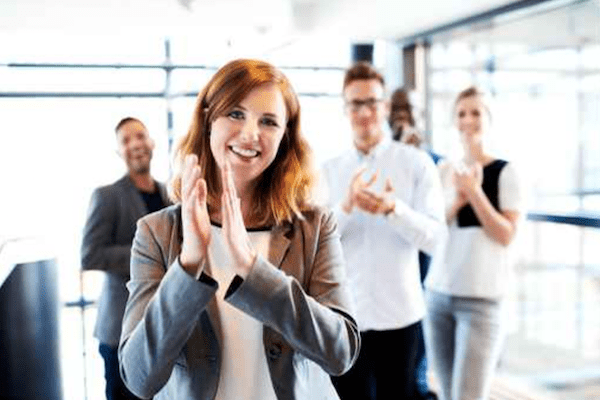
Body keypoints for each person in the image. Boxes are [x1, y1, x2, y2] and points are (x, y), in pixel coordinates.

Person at [118, 59, 360, 400]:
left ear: (284, 137)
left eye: (269, 121)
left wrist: (252, 268)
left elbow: (341, 352)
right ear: (208, 121)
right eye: (235, 113)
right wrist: (189, 263)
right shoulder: (157, 232)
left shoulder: (314, 226)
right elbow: (139, 376)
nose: (250, 134)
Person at [322, 61, 446, 400]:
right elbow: (317, 244)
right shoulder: (328, 171)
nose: (365, 113)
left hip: (402, 316)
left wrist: (394, 210)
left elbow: (436, 239)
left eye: (372, 102)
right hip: (346, 320)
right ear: (345, 109)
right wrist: (346, 206)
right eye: (356, 104)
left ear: (386, 107)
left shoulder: (415, 163)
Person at [423, 86, 524, 400]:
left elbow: (506, 234)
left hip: (482, 302)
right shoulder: (444, 171)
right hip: (439, 295)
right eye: (461, 113)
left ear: (489, 119)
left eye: (476, 112)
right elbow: (433, 230)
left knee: (468, 396)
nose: (468, 119)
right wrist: (458, 197)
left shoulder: (505, 171)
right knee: (447, 393)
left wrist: (475, 192)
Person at [81, 117, 170, 400]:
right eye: (126, 140)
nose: (135, 144)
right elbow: (90, 254)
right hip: (120, 329)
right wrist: (148, 257)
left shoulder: (170, 195)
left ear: (152, 143)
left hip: (163, 328)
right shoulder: (107, 196)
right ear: (119, 151)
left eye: (140, 136)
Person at [388, 87, 440, 400]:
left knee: (416, 340)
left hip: (422, 274)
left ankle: (416, 387)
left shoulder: (435, 162)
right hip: (384, 273)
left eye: (413, 110)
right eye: (398, 109)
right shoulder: (373, 160)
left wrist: (416, 161)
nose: (405, 116)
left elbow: (438, 223)